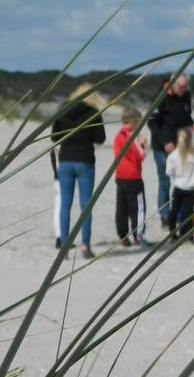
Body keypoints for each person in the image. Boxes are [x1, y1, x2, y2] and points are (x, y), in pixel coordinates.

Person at [52, 82, 107, 258]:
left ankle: (64, 245)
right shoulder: (93, 113)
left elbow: (54, 136)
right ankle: (85, 246)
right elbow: (100, 139)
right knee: (86, 206)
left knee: (65, 205)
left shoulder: (63, 109)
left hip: (66, 160)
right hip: (85, 161)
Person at [148, 74, 194, 231]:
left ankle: (181, 214)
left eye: (186, 87)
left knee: (182, 181)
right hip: (162, 147)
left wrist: (193, 126)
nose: (183, 90)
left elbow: (186, 116)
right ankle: (165, 217)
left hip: (182, 145)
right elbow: (152, 122)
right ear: (172, 84)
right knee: (165, 182)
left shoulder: (186, 95)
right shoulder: (160, 96)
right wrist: (165, 142)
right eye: (181, 87)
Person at [113, 107, 149, 247]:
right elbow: (140, 156)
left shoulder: (118, 136)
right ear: (133, 122)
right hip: (133, 177)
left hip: (121, 177)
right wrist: (143, 144)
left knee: (121, 208)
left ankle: (123, 236)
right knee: (138, 208)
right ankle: (137, 236)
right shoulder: (131, 136)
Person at [165, 127, 194, 238]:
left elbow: (168, 171)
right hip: (190, 188)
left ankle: (172, 233)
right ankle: (187, 234)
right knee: (188, 212)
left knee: (174, 210)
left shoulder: (173, 155)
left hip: (178, 186)